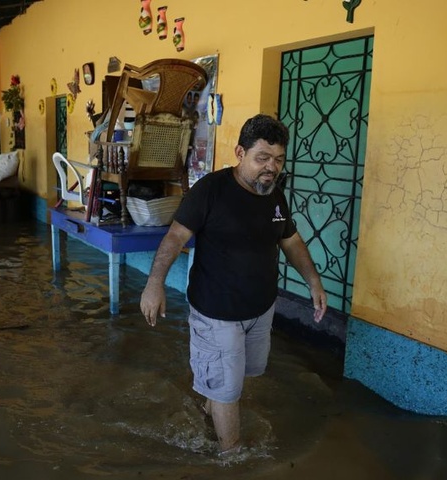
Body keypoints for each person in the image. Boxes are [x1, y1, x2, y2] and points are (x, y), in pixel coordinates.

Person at [140, 114, 328, 454]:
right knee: (228, 389)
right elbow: (174, 237)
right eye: (263, 158)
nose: (272, 167)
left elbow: (291, 241)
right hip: (216, 312)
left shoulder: (274, 195)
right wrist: (155, 284)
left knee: (240, 380)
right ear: (240, 152)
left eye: (279, 160)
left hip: (260, 311)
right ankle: (232, 457)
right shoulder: (210, 191)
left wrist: (314, 281)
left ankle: (208, 415)